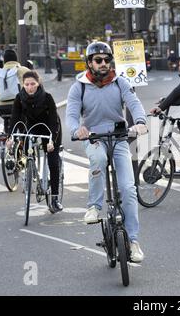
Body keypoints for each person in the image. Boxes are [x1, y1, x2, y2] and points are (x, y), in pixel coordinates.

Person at [66, 41, 147, 263]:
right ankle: (94, 206)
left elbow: (134, 102)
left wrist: (140, 121)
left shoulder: (120, 82)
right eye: (98, 60)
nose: (103, 64)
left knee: (129, 189)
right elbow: (72, 115)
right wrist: (77, 129)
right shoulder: (79, 86)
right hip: (93, 138)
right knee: (99, 159)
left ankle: (133, 241)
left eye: (107, 60)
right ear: (89, 63)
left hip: (119, 138)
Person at [6, 70, 64, 213]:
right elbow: (15, 118)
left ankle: (55, 198)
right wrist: (10, 137)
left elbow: (53, 120)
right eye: (27, 84)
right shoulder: (19, 98)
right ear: (23, 85)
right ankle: (29, 169)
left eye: (33, 84)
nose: (30, 87)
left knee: (52, 162)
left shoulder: (47, 97)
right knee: (24, 148)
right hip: (31, 127)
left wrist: (52, 140)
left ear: (38, 84)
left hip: (49, 129)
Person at [0, 49, 30, 134]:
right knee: (25, 126)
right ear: (16, 59)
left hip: (2, 109)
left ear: (4, 61)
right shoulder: (23, 70)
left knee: (7, 120)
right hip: (20, 106)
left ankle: (7, 138)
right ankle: (24, 141)